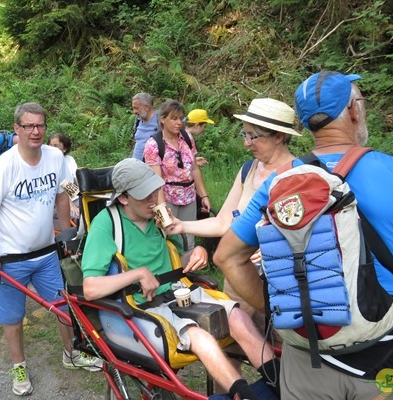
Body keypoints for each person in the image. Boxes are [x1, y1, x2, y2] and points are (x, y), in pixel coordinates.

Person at [214, 71, 393, 399]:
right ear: (353, 110)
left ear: (306, 125)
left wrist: (278, 310)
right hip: (388, 359)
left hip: (309, 359)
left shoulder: (280, 184)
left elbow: (226, 257)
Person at [81, 158, 277, 400]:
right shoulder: (106, 225)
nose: (154, 200)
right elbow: (89, 288)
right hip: (140, 306)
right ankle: (243, 395)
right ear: (123, 198)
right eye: (145, 196)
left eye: (155, 191)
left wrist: (196, 253)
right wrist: (138, 273)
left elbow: (176, 261)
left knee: (236, 315)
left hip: (177, 291)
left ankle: (278, 381)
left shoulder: (159, 219)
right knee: (199, 335)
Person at [0, 102, 102, 397]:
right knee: (13, 317)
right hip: (10, 257)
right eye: (28, 126)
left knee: (63, 305)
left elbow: (63, 193)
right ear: (17, 130)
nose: (35, 131)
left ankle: (71, 353)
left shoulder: (55, 157)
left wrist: (68, 230)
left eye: (40, 125)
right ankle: (18, 365)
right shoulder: (3, 166)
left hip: (47, 252)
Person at [168, 98, 301, 332]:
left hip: (280, 279)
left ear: (279, 136)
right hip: (239, 274)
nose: (246, 144)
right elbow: (223, 222)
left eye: (253, 137)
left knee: (283, 342)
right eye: (244, 134)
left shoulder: (299, 175)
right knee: (233, 338)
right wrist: (181, 226)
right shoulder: (248, 170)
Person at [144, 100, 210, 251]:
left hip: (189, 197)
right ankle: (170, 271)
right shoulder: (153, 145)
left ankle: (189, 271)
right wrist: (161, 211)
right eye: (174, 118)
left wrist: (204, 196)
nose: (179, 122)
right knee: (169, 238)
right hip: (168, 198)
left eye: (181, 118)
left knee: (189, 237)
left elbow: (194, 169)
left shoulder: (187, 138)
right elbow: (157, 180)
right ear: (162, 119)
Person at [48, 132, 79, 220]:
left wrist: (85, 194)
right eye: (50, 145)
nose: (51, 149)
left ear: (64, 149)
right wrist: (71, 205)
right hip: (58, 202)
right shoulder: (48, 164)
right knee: (77, 215)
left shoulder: (69, 159)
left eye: (55, 146)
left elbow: (76, 179)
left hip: (73, 195)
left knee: (93, 207)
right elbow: (60, 189)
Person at [131, 92, 159, 160]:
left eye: (136, 108)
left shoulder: (160, 119)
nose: (134, 111)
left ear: (146, 107)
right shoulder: (138, 120)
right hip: (135, 165)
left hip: (151, 166)